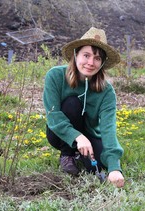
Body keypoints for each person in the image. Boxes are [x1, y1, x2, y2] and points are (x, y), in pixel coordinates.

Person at [43, 27, 124, 188]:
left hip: (90, 133)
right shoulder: (55, 76)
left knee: (99, 164)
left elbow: (108, 128)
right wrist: (78, 137)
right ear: (76, 55)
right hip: (58, 133)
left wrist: (115, 168)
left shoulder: (107, 91)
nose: (90, 63)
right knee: (72, 103)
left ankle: (82, 155)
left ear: (102, 63)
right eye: (86, 55)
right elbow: (53, 115)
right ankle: (68, 154)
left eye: (97, 58)